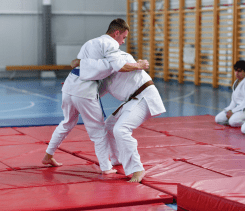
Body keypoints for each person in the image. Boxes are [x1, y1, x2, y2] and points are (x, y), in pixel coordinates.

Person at [42, 18, 149, 174]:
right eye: (123, 37)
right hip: (84, 90)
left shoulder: (91, 42)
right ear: (116, 33)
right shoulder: (110, 43)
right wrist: (139, 65)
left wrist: (78, 72)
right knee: (99, 131)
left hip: (70, 85)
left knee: (67, 123)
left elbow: (80, 64)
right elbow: (120, 66)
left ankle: (48, 155)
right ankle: (106, 168)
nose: (123, 42)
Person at [71, 50, 166, 182]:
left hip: (145, 96)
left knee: (121, 129)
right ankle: (118, 159)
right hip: (132, 100)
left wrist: (139, 64)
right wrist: (74, 88)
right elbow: (94, 93)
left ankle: (137, 169)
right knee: (110, 125)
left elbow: (127, 63)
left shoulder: (116, 59)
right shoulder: (104, 78)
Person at [215, 60, 245, 127]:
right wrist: (229, 110)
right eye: (235, 71)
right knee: (218, 119)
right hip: (237, 109)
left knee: (232, 121)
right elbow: (233, 101)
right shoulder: (235, 83)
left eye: (239, 71)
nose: (237, 73)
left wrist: (233, 112)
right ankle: (235, 118)